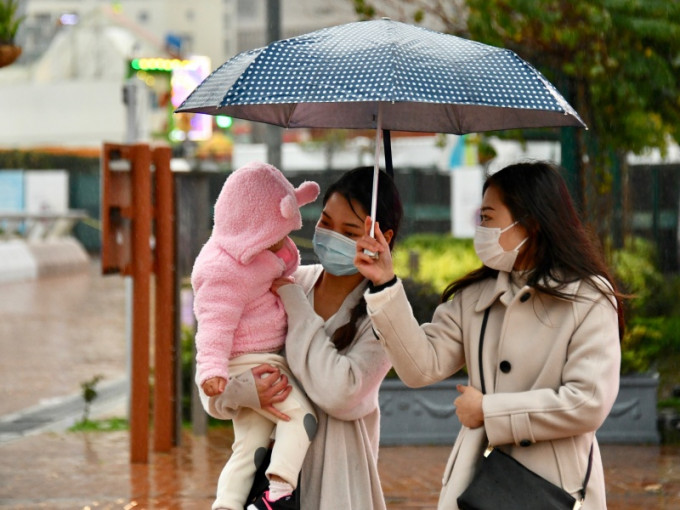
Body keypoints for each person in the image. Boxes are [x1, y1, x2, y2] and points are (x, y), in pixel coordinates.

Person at [355, 160, 623, 510]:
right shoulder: (476, 296)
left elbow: (588, 401)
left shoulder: (588, 297)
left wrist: (489, 411)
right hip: (479, 486)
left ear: (530, 223)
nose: (480, 228)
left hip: (557, 491)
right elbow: (421, 366)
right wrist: (385, 283)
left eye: (487, 217)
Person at [201, 166, 403, 510]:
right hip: (264, 489)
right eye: (325, 222)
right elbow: (215, 392)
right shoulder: (283, 282)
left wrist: (296, 307)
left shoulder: (384, 314)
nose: (330, 234)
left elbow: (340, 393)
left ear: (381, 237)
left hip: (338, 487)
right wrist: (247, 390)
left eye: (349, 231)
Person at [191, 161, 321, 510]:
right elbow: (214, 327)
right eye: (278, 232)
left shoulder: (253, 256)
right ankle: (277, 494)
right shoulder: (224, 271)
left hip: (252, 362)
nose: (284, 240)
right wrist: (212, 372)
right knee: (303, 420)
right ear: (255, 226)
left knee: (250, 447)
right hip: (254, 362)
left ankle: (227, 504)